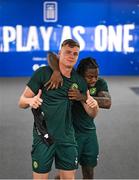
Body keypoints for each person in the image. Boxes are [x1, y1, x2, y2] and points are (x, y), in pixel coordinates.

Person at [18, 39, 98, 180]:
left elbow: (92, 113)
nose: (71, 56)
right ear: (60, 53)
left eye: (75, 54)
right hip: (43, 138)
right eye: (68, 52)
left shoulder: (79, 81)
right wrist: (31, 101)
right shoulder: (42, 73)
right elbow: (21, 102)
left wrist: (93, 105)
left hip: (67, 139)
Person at [47, 54, 111, 179]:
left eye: (96, 76)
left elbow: (107, 102)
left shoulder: (100, 83)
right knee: (68, 175)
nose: (94, 80)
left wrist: (83, 96)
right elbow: (50, 56)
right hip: (71, 134)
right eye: (90, 77)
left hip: (89, 134)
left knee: (89, 172)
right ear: (80, 74)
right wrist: (56, 70)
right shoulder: (72, 79)